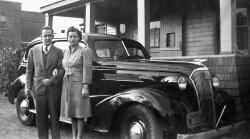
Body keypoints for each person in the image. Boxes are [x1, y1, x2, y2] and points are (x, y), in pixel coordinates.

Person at [25, 26, 64, 139]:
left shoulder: (59, 52)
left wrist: (52, 80)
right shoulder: (33, 51)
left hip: (53, 91)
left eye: (49, 35)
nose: (47, 38)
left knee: (54, 120)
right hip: (38, 90)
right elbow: (29, 70)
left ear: (53, 36)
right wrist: (27, 87)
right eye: (45, 35)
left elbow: (62, 69)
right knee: (40, 120)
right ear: (41, 37)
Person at [55, 27, 92, 139]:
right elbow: (62, 66)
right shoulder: (65, 52)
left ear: (79, 38)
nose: (72, 39)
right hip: (67, 84)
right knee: (72, 113)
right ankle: (74, 136)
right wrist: (56, 69)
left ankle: (79, 137)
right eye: (70, 36)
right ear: (68, 38)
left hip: (79, 84)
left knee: (79, 114)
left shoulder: (85, 51)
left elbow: (87, 69)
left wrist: (85, 86)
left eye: (75, 36)